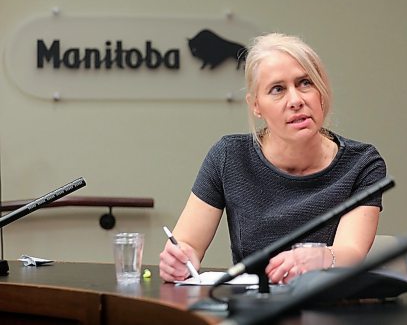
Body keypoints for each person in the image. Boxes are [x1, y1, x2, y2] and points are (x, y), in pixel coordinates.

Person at [159, 33, 386, 284]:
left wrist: (319, 257)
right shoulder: (228, 157)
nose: (296, 100)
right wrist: (180, 260)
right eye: (278, 89)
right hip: (253, 310)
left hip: (326, 309)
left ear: (321, 90)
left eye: (305, 83)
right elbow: (188, 243)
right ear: (256, 105)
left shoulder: (361, 163)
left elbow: (351, 252)